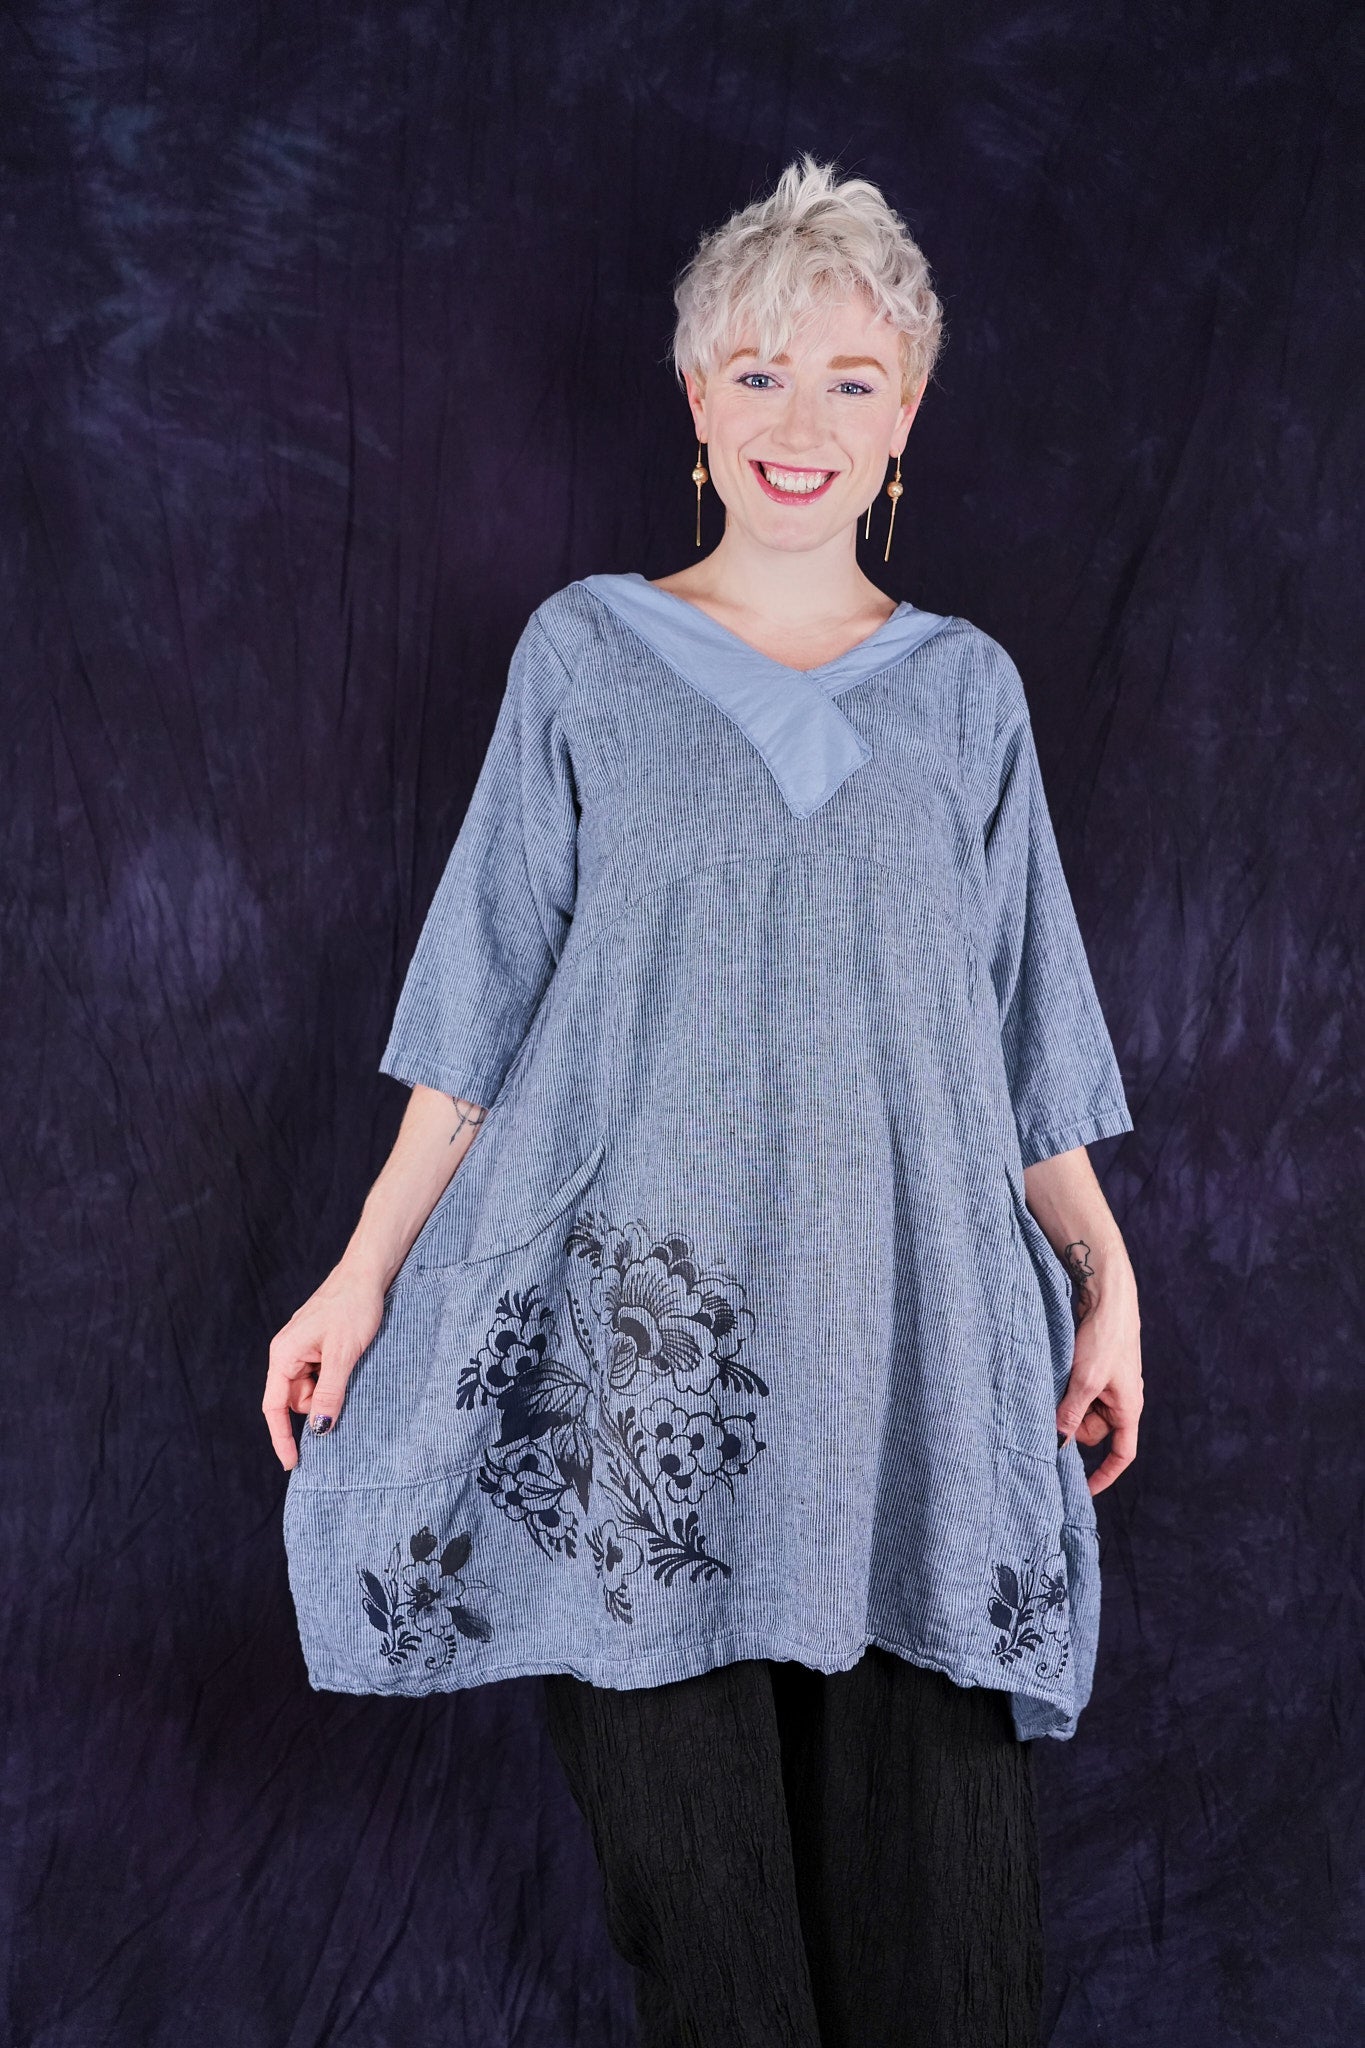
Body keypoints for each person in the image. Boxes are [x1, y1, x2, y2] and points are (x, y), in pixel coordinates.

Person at [265, 154, 1143, 2047]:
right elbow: (475, 1013)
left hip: (915, 1384)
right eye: (755, 372)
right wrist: (359, 1273)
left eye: (846, 378)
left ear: (904, 416)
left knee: (947, 1974)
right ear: (693, 401)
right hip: (647, 1397)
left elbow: (1022, 1044)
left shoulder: (967, 698)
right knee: (719, 1965)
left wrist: (1106, 1279)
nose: (796, 421)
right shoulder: (584, 656)